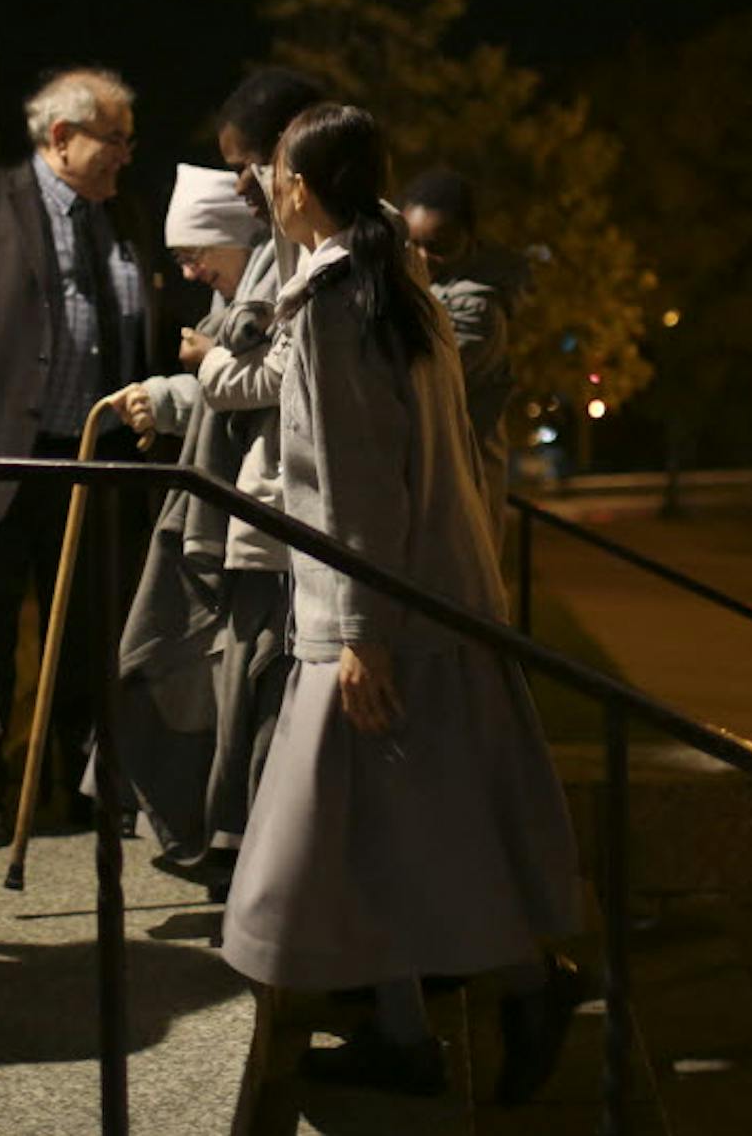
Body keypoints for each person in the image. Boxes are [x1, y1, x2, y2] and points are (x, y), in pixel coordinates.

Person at [220, 104, 582, 1103]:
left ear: (299, 186)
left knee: (382, 824)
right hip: (424, 595)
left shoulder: (342, 297)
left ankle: (511, 988)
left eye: (279, 178)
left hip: (382, 613)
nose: (271, 194)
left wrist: (360, 635)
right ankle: (408, 1025)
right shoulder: (397, 281)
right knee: (387, 824)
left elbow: (357, 479)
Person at [0, 68, 168, 849]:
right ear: (62, 137)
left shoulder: (121, 211)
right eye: (114, 140)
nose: (127, 155)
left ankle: (89, 780)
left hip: (98, 459)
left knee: (93, 630)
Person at [91, 164, 282, 882]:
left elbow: (258, 388)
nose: (193, 269)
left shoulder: (261, 304)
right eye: (179, 260)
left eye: (197, 252)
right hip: (224, 530)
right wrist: (167, 395)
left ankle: (233, 843)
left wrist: (200, 372)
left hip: (249, 534)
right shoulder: (226, 308)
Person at [399, 167, 527, 531]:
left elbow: (417, 374)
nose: (422, 258)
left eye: (438, 247)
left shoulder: (479, 306)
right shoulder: (426, 289)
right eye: (413, 244)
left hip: (464, 486)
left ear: (470, 238)